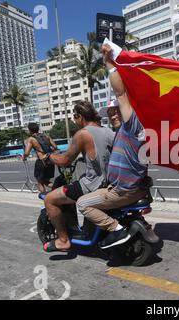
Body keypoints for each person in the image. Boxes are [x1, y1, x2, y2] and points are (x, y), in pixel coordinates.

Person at [76, 44, 150, 250]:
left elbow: (121, 94)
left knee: (82, 203)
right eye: (109, 113)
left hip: (122, 192)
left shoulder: (131, 125)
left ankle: (117, 230)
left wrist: (109, 64)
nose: (113, 114)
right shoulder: (122, 134)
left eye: (116, 111)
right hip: (132, 189)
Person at [42, 101, 115, 252]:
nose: (75, 122)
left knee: (50, 199)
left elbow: (64, 160)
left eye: (75, 118)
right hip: (109, 183)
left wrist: (49, 157)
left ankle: (63, 240)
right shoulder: (108, 131)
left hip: (92, 185)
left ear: (79, 116)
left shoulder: (83, 134)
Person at [23, 123, 58, 193]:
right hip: (50, 160)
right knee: (46, 181)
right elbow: (55, 147)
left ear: (30, 130)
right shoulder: (46, 136)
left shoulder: (31, 139)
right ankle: (59, 189)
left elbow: (27, 153)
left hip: (41, 161)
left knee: (40, 182)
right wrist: (48, 153)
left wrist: (24, 157)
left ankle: (45, 198)